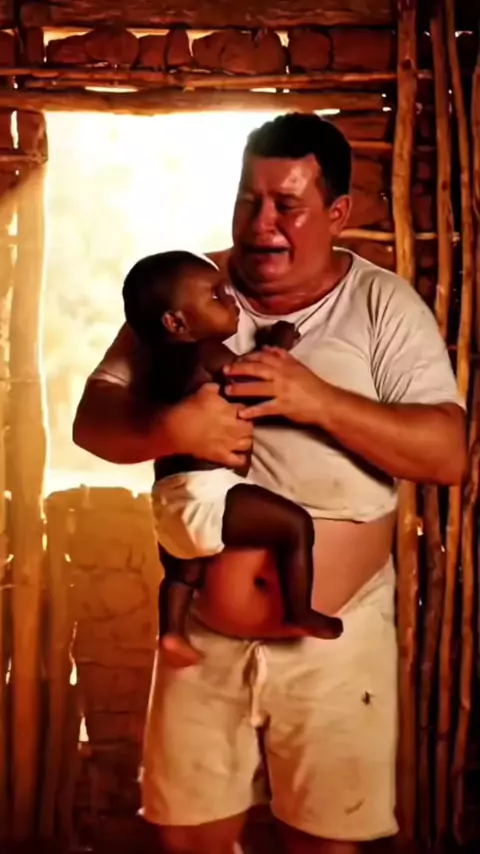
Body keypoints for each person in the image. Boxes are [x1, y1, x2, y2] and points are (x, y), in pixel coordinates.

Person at [73, 113, 467, 854]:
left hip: (334, 644)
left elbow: (447, 456)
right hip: (202, 639)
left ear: (338, 213)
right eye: (248, 200)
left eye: (288, 205)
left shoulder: (381, 305)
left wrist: (320, 401)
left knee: (323, 844)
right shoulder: (189, 291)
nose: (262, 224)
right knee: (188, 840)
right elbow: (92, 421)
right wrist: (172, 430)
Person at [122, 249, 343, 667]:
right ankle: (299, 610)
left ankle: (171, 632)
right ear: (177, 324)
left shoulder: (152, 366)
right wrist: (277, 344)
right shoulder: (205, 351)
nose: (231, 299)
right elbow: (252, 382)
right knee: (295, 526)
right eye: (216, 295)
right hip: (208, 491)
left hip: (168, 500)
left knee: (183, 572)